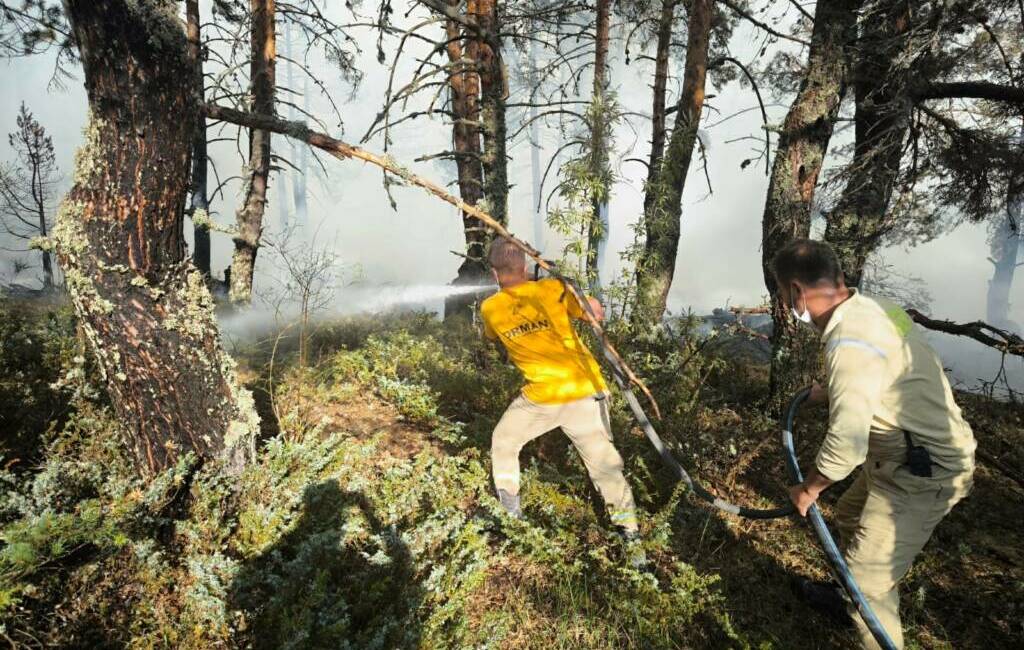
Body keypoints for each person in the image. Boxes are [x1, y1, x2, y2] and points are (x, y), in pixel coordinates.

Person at [772, 239, 976, 650]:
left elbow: (846, 445)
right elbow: (892, 364)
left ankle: (860, 598)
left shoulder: (848, 342)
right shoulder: (877, 309)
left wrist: (808, 490)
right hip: (905, 454)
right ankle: (846, 593)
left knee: (869, 584)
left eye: (782, 296)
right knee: (849, 514)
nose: (785, 306)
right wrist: (830, 389)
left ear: (796, 291)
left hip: (921, 471)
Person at [480, 237, 641, 543]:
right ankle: (632, 540)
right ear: (526, 265)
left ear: (494, 273)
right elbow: (596, 313)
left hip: (543, 399)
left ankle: (511, 517)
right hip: (585, 391)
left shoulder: (491, 307)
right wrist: (560, 282)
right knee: (606, 470)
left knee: (504, 440)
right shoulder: (554, 290)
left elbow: (492, 338)